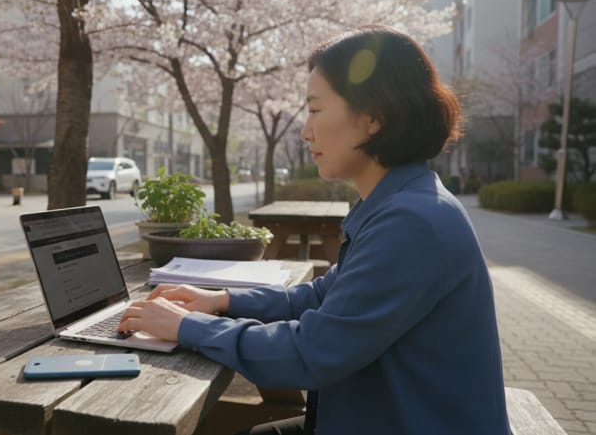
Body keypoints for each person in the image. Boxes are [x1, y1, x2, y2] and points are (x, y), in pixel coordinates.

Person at [118, 25, 510, 434]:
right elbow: (323, 295)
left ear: (375, 115)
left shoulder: (412, 223)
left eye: (316, 109)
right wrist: (220, 301)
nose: (306, 132)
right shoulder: (405, 202)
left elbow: (312, 353)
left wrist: (185, 326)